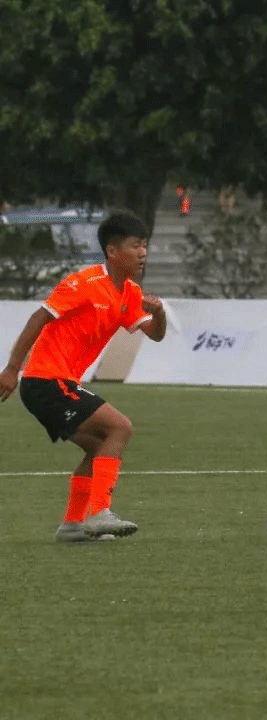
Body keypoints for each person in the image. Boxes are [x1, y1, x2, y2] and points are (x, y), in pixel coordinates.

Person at [0, 211, 167, 541]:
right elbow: (38, 318)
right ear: (112, 251)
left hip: (59, 383)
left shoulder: (130, 293)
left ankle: (72, 524)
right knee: (120, 427)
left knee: (100, 447)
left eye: (145, 246)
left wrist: (159, 313)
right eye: (136, 246)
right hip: (45, 380)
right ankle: (100, 512)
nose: (143, 253)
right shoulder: (84, 283)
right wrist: (11, 369)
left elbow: (155, 334)